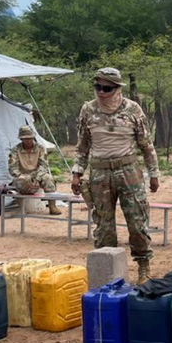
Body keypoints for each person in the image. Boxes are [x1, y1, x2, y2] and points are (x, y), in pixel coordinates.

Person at [70, 67, 161, 283]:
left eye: (106, 88)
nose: (101, 92)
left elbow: (146, 145)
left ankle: (143, 266)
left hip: (128, 170)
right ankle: (107, 271)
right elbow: (82, 145)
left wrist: (154, 173)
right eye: (97, 87)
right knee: (103, 226)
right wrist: (77, 172)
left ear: (117, 88)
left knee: (137, 222)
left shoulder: (133, 110)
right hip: (100, 172)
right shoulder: (88, 110)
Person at [8, 125, 62, 215]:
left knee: (48, 179)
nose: (28, 141)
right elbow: (12, 168)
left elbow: (44, 165)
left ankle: (52, 206)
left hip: (38, 174)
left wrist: (37, 178)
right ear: (21, 139)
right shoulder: (15, 150)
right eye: (25, 139)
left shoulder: (40, 148)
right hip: (22, 175)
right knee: (19, 183)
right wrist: (21, 176)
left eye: (30, 138)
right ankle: (22, 208)